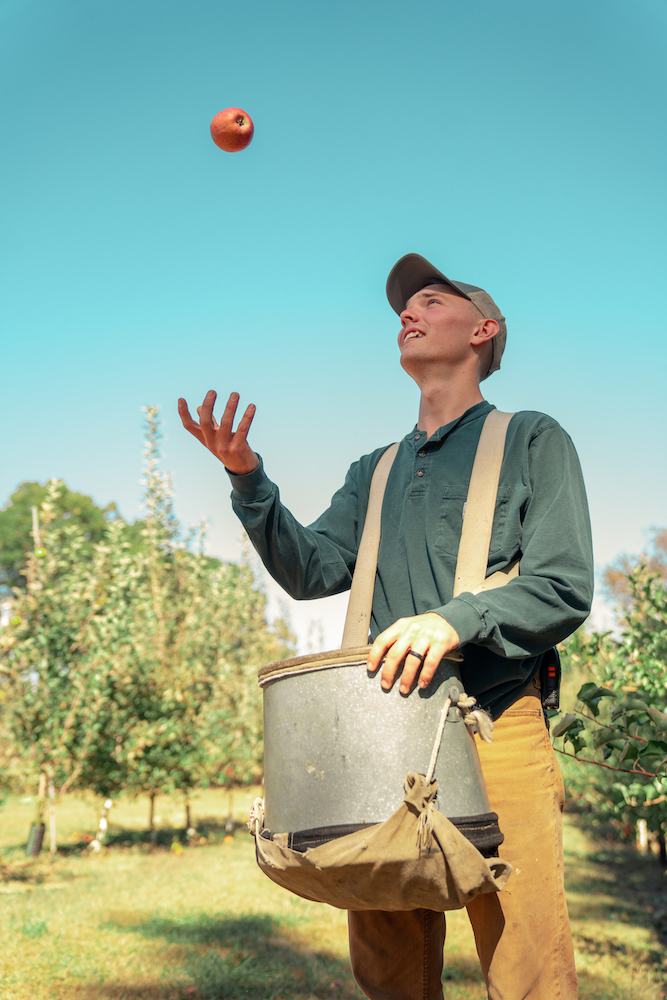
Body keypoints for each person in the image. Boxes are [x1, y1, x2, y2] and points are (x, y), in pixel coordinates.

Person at [178, 253, 594, 1000]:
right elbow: (310, 570)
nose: (408, 312)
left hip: (496, 719)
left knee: (526, 959)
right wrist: (248, 479)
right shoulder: (373, 469)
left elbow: (563, 586)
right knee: (388, 962)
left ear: (482, 331)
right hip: (382, 733)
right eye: (405, 307)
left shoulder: (532, 438)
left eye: (432, 301)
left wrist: (453, 620)